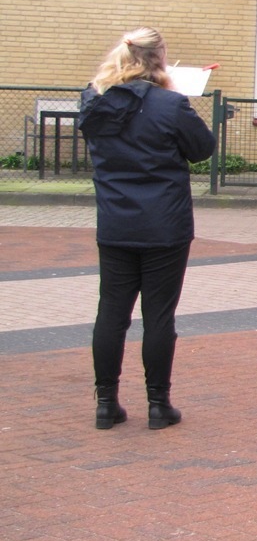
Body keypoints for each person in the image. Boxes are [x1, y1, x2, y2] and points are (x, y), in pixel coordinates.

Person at [79, 27, 216, 431]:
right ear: (159, 59)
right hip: (164, 225)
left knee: (111, 312)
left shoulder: (94, 100)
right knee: (159, 316)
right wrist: (174, 97)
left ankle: (106, 404)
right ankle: (159, 405)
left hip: (115, 222)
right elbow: (202, 149)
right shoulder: (170, 104)